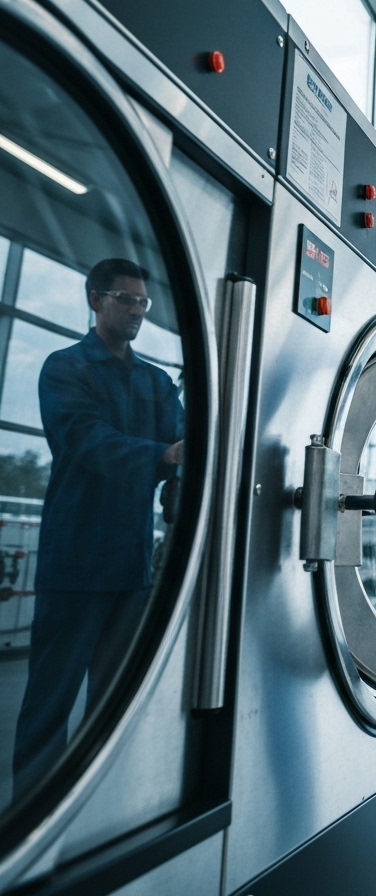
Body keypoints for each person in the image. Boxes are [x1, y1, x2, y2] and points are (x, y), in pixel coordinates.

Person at [12, 258, 184, 796]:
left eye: (142, 303)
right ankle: (35, 823)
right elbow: (84, 441)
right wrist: (167, 454)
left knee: (112, 704)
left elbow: (185, 448)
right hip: (74, 562)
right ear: (94, 300)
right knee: (50, 703)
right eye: (124, 300)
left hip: (129, 570)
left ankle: (89, 811)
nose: (135, 311)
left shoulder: (156, 382)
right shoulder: (65, 369)